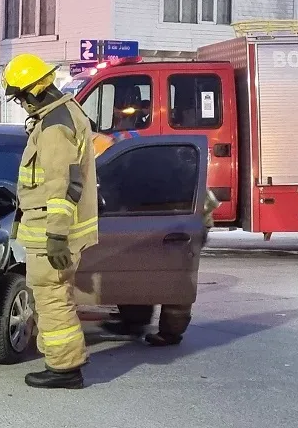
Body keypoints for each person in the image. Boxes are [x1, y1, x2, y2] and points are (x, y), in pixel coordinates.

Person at [2, 54, 99, 390]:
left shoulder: (55, 126)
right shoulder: (64, 114)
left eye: (20, 98)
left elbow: (62, 185)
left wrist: (56, 236)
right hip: (51, 231)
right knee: (55, 295)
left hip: (52, 233)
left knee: (52, 297)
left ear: (33, 92)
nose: (22, 105)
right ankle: (64, 361)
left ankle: (64, 369)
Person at [94, 132, 220, 346]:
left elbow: (205, 205)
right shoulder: (149, 168)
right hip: (161, 225)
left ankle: (170, 332)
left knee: (175, 280)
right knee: (139, 274)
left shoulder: (169, 173)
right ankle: (135, 322)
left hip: (178, 230)